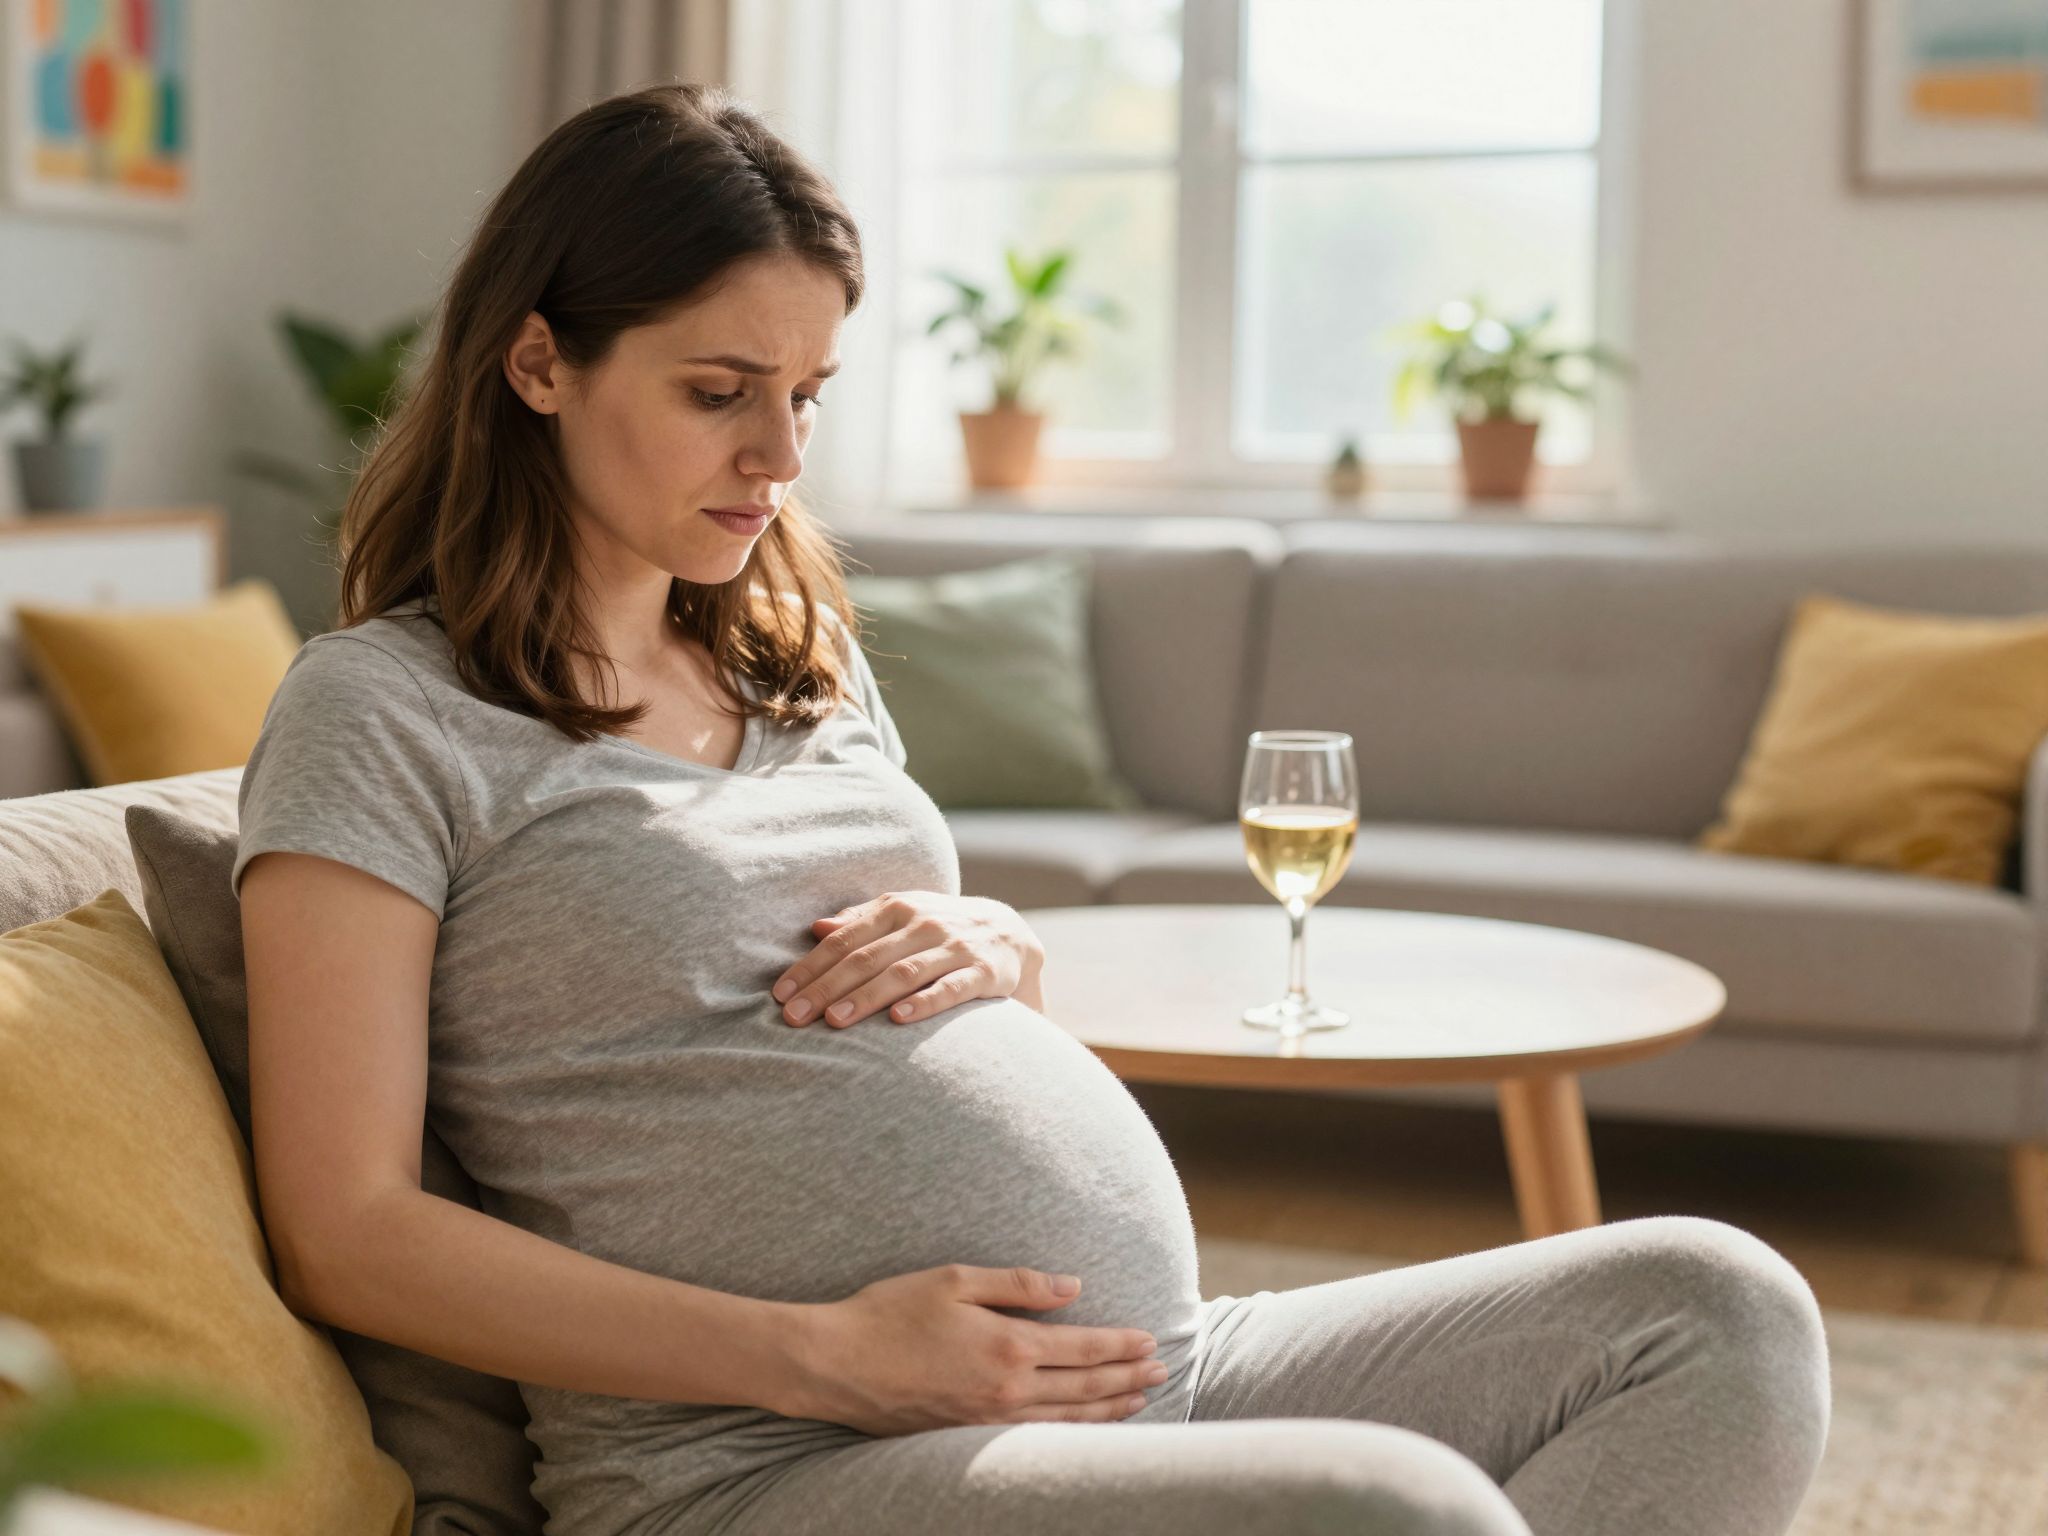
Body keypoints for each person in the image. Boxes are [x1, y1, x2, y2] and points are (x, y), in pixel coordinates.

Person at [233, 81, 1830, 1536]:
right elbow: (346, 1229)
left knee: (1715, 1308)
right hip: (765, 1463)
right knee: (1390, 1514)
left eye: (810, 392)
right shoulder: (381, 711)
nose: (780, 455)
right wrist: (825, 1356)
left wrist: (1002, 949)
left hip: (1148, 1376)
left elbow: (889, 1019)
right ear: (538, 364)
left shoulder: (796, 655)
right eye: (721, 390)